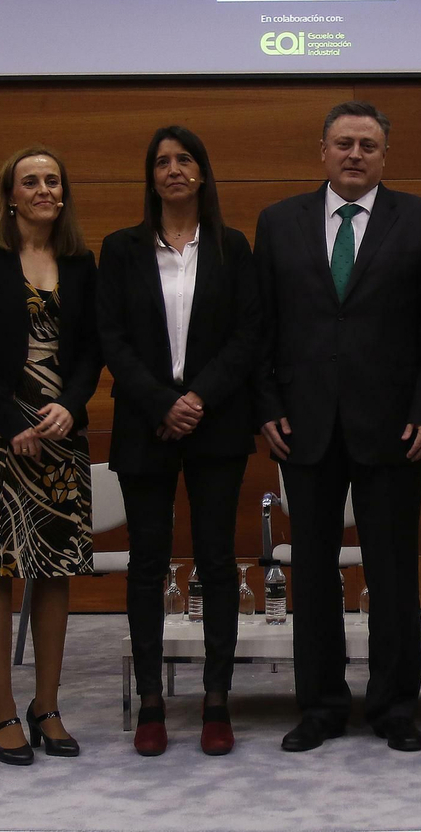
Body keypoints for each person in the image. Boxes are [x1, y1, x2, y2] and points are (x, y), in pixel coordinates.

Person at [254, 101, 421, 753]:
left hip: (395, 426)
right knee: (312, 574)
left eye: (369, 144)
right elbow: (263, 327)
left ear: (385, 155)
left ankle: (395, 707)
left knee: (392, 573)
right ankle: (320, 707)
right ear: (323, 150)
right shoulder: (279, 222)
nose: (355, 154)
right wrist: (266, 405)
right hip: (303, 425)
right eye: (344, 143)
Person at [97, 127, 261, 758]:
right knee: (148, 563)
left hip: (214, 423)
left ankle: (216, 701)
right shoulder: (121, 248)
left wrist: (197, 399)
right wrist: (162, 401)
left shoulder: (232, 247)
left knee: (217, 562)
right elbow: (112, 336)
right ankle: (151, 702)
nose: (172, 169)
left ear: (202, 172)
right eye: (161, 161)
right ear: (151, 176)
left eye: (184, 159)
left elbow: (248, 334)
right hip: (146, 424)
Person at [0, 146, 101, 765]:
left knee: (55, 569)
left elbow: (94, 349)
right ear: (9, 195)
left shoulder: (80, 262)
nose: (43, 189)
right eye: (30, 181)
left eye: (52, 180)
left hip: (60, 438)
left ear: (63, 193)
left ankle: (47, 706)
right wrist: (12, 419)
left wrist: (71, 404)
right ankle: (3, 711)